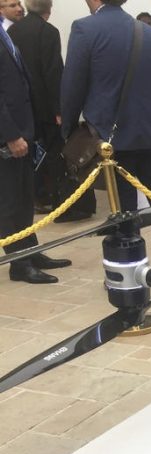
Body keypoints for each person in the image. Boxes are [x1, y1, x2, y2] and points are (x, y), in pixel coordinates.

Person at [61, 0, 151, 275]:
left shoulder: (84, 28)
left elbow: (72, 86)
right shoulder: (148, 32)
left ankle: (129, 270)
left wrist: (67, 129)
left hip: (109, 136)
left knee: (123, 207)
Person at [1, 18, 70, 282]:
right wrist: (10, 135)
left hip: (23, 128)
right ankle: (18, 264)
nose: (16, 7)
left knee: (23, 197)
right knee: (9, 202)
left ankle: (30, 250)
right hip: (9, 135)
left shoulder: (6, 31)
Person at [8, 0, 62, 213]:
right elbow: (53, 72)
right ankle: (57, 197)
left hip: (23, 106)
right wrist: (59, 109)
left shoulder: (12, 31)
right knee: (53, 152)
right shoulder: (49, 31)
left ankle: (36, 196)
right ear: (49, 9)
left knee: (31, 153)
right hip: (46, 106)